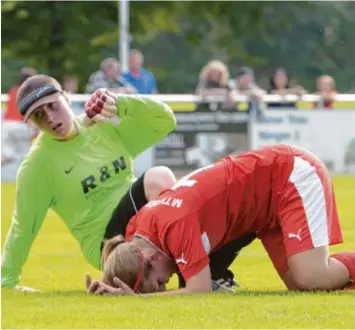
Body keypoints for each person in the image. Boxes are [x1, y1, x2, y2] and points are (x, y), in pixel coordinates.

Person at [86, 144, 355, 295]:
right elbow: (128, 260)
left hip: (291, 174)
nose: (165, 284)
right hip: (268, 206)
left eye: (158, 282)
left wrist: (137, 301)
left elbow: (199, 290)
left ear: (152, 259)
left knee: (312, 276)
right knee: (303, 287)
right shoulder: (140, 231)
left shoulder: (173, 223)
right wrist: (110, 281)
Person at [1, 74, 176, 291]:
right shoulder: (37, 165)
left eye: (52, 106)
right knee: (158, 177)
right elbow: (23, 228)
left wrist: (119, 103)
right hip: (108, 243)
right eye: (38, 115)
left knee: (181, 190)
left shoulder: (100, 124)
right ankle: (169, 274)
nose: (49, 117)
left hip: (142, 224)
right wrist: (6, 283)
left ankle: (198, 275)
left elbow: (166, 120)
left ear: (66, 97)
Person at [2, 67, 37, 167]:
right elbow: (28, 111)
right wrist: (35, 130)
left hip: (7, 125)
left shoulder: (12, 90)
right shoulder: (30, 92)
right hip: (21, 126)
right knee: (26, 156)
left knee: (5, 156)